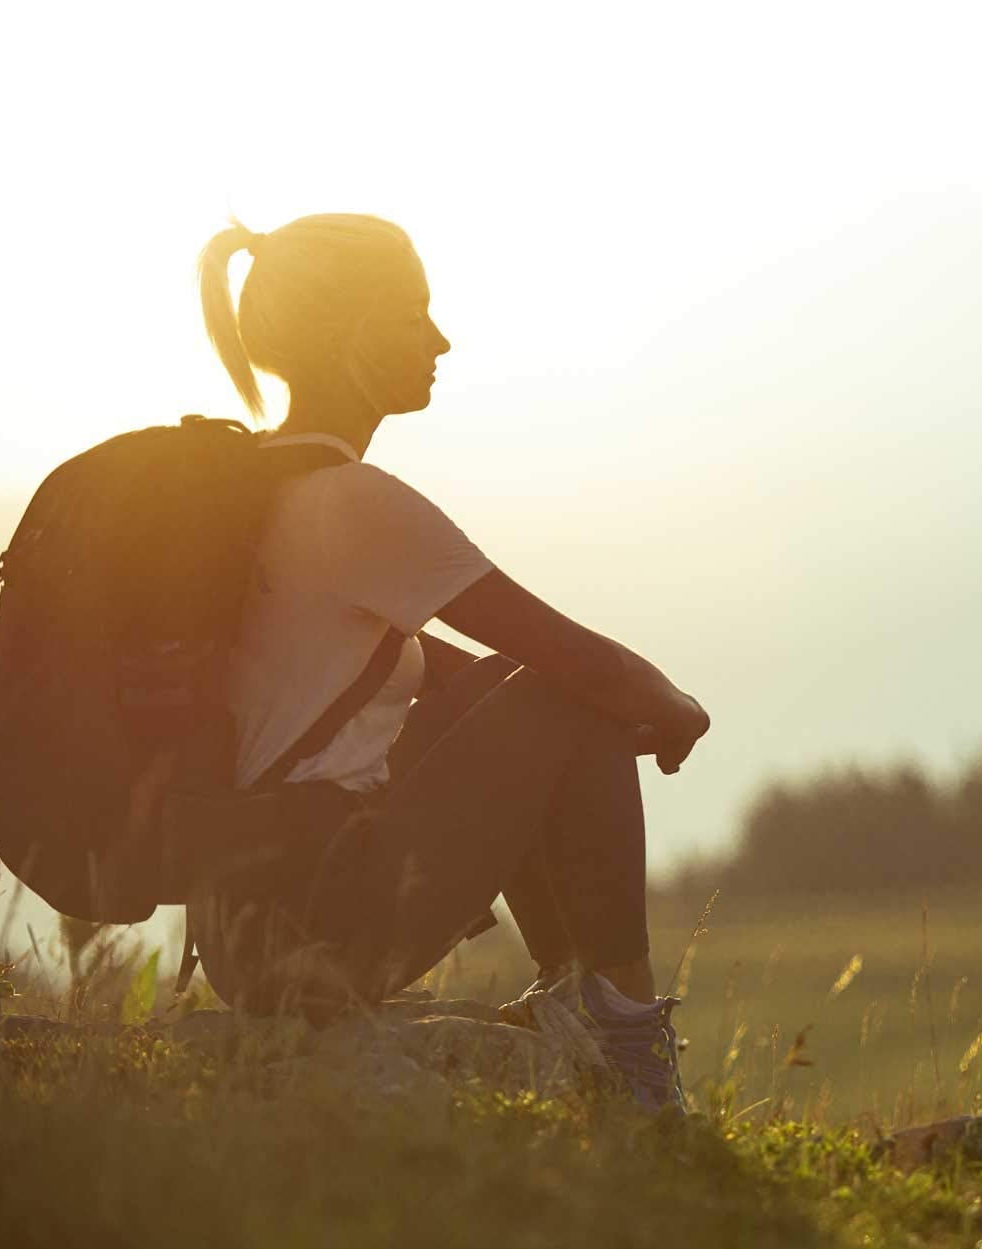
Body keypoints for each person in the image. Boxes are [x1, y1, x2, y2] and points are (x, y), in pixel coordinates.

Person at [181, 212, 708, 1112]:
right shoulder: (350, 503)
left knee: (525, 696)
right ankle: (627, 1044)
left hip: (251, 925)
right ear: (350, 336)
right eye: (414, 313)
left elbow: (469, 683)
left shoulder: (264, 488)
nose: (440, 340)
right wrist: (670, 704)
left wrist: (605, 703)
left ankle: (579, 996)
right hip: (317, 921)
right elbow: (575, 662)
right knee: (568, 696)